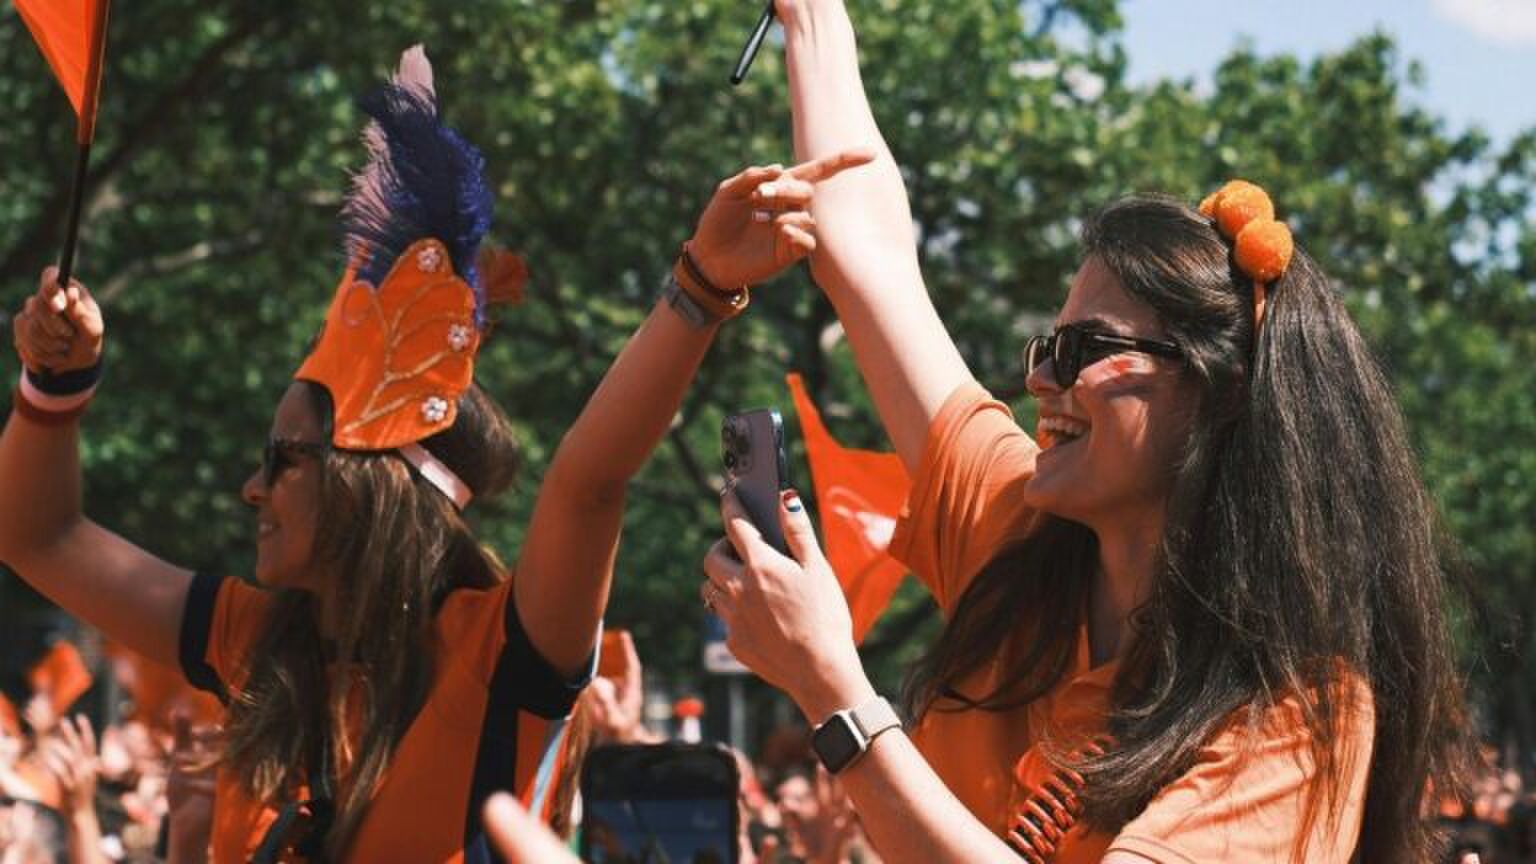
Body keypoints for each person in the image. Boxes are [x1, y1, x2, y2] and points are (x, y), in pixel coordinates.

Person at [1, 45, 869, 861]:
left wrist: (702, 288)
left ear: (367, 481)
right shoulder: (249, 638)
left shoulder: (497, 652)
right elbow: (36, 535)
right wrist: (53, 386)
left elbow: (590, 480)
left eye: (281, 458)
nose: (250, 489)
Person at [699, 1, 1473, 862]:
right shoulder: (1016, 528)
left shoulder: (1299, 713)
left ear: (1220, 394)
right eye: (1047, 346)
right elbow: (866, 253)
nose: (1038, 378)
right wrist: (813, 20)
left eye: (1083, 350)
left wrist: (834, 694)